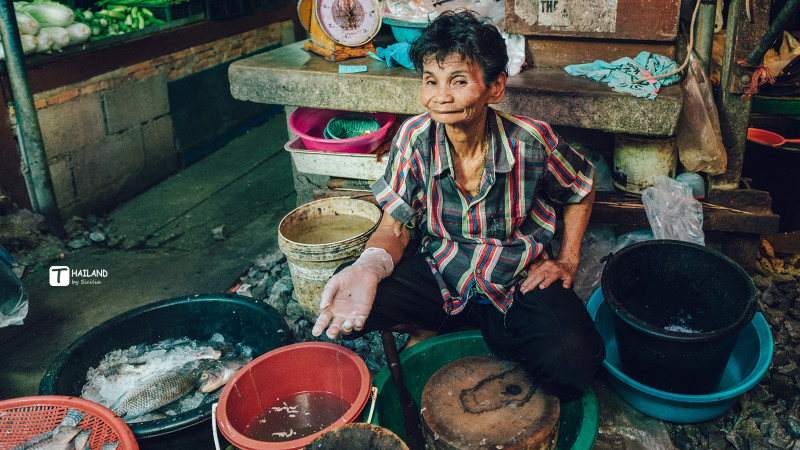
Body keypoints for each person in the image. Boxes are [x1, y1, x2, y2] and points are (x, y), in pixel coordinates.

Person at [312, 10, 604, 401]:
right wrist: (368, 266)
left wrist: (567, 260)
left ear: (496, 87)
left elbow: (582, 187)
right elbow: (395, 226)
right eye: (430, 81)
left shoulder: (532, 141)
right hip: (441, 271)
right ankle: (444, 322)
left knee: (575, 363)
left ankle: (466, 328)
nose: (441, 96)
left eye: (459, 81)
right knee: (350, 294)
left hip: (517, 277)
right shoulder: (413, 139)